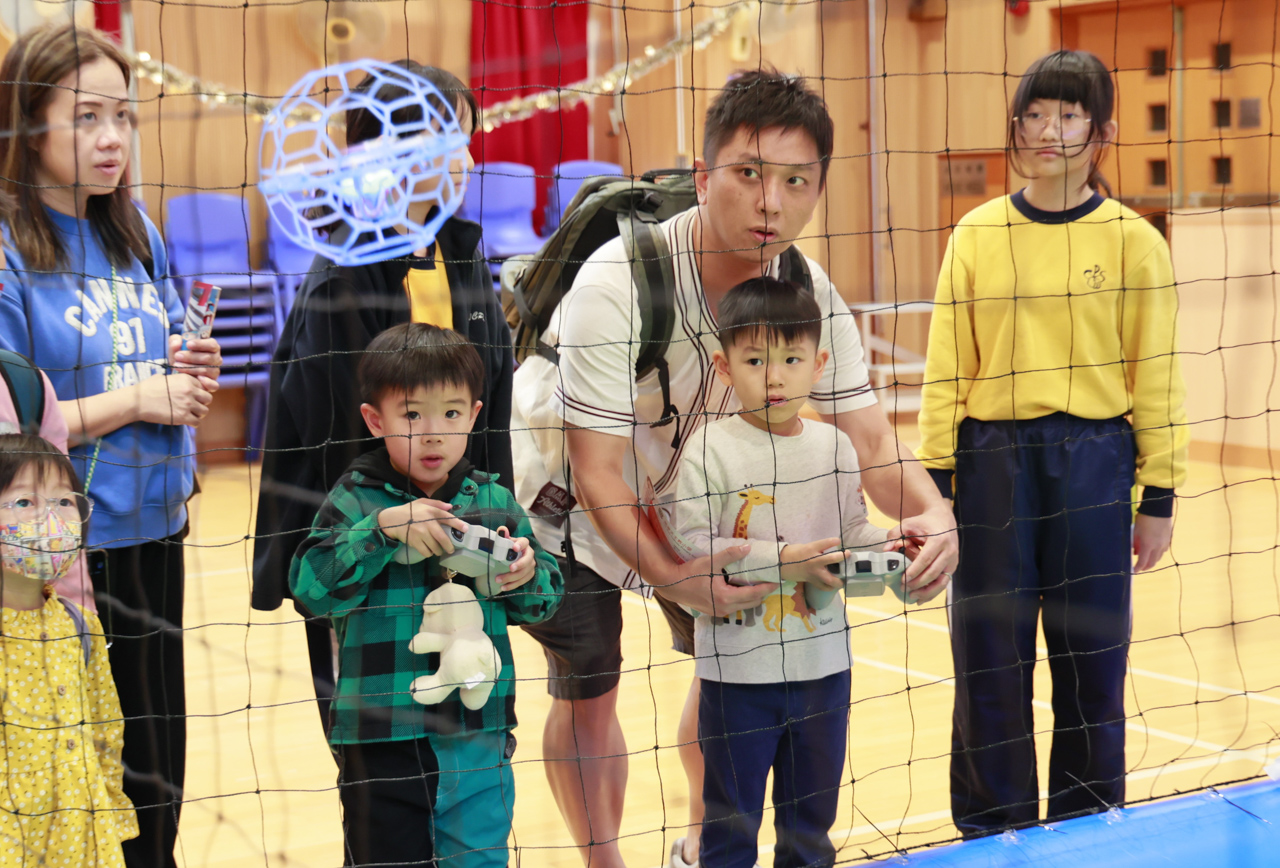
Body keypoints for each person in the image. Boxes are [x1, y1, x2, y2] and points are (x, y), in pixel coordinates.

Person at [511, 68, 958, 868]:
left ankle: (699, 843)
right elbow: (597, 471)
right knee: (591, 684)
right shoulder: (617, 281)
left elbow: (870, 441)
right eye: (749, 173)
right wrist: (675, 577)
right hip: (570, 493)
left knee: (732, 664)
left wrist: (933, 511)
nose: (770, 203)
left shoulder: (806, 292)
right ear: (704, 173)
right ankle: (603, 861)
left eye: (796, 181)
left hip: (700, 488)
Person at [917, 50, 1189, 837]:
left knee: (1091, 665)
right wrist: (934, 489)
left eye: (1067, 115)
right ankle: (991, 831)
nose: (1045, 130)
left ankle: (1087, 831)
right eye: (1033, 115)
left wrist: (1160, 495)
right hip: (991, 464)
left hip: (1094, 465)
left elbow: (1158, 376)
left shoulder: (1134, 242)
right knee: (989, 662)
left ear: (1102, 132)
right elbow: (946, 368)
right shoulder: (976, 233)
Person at [0, 23, 222, 868]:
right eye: (86, 116)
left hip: (157, 531)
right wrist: (136, 398)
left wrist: (187, 368)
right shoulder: (9, 251)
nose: (111, 138)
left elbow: (159, 360)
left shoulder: (137, 233)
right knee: (83, 772)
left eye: (124, 117)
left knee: (159, 772)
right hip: (62, 555)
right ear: (28, 126)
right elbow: (10, 429)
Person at [254, 61, 512, 739]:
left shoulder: (461, 255)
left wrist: (497, 516)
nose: (462, 160)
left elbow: (493, 408)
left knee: (470, 723)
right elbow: (337, 437)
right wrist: (387, 527)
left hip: (462, 538)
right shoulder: (343, 272)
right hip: (373, 551)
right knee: (380, 746)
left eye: (465, 139)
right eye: (441, 139)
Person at [674, 278, 941, 868]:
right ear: (724, 367)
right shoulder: (707, 450)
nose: (774, 377)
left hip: (824, 671)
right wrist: (785, 559)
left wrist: (894, 547)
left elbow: (851, 533)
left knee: (810, 832)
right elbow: (691, 546)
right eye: (755, 361)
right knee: (730, 832)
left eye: (792, 360)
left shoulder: (834, 446)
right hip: (738, 678)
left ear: (819, 365)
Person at [290, 323, 561, 868]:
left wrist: (525, 571)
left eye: (451, 413)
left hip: (477, 732)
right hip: (381, 737)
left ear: (475, 415)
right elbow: (310, 591)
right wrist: (380, 531)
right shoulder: (356, 498)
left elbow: (543, 601)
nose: (434, 433)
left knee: (480, 860)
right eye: (412, 415)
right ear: (376, 420)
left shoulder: (493, 499)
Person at [0, 432, 138, 865]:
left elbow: (106, 730)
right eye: (25, 502)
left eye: (63, 501)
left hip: (83, 838)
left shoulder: (80, 625)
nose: (50, 518)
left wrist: (112, 817)